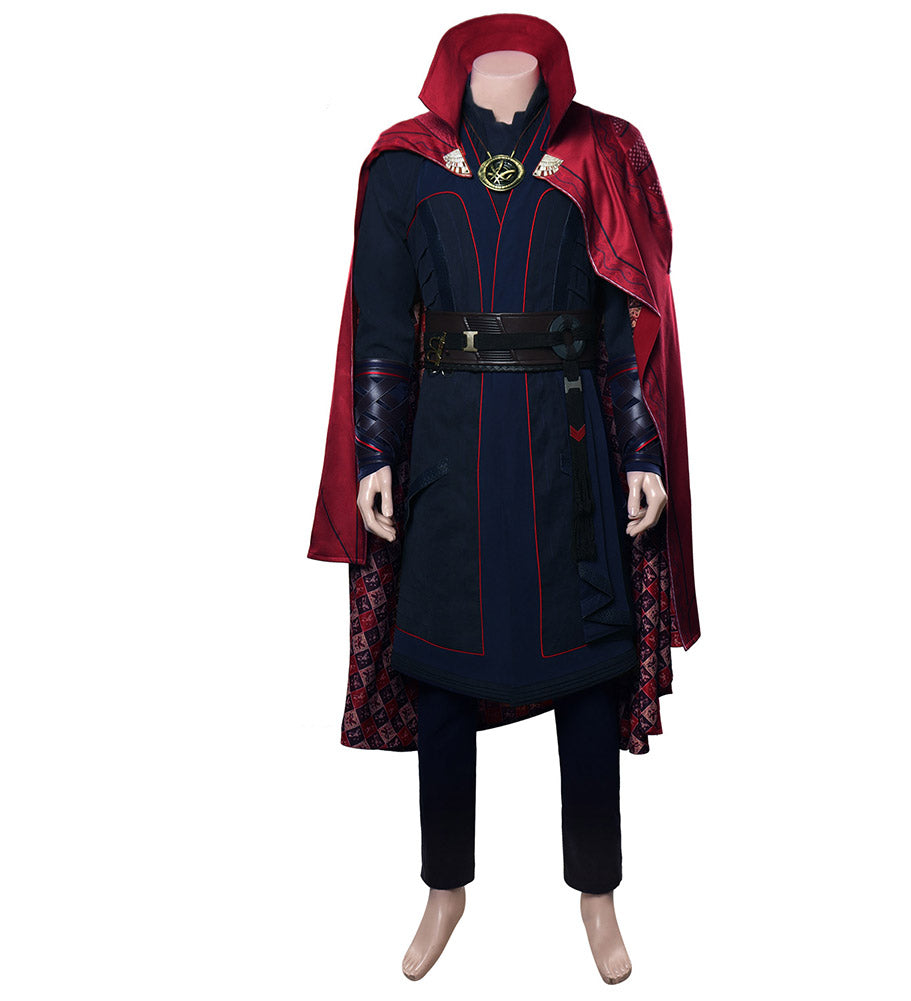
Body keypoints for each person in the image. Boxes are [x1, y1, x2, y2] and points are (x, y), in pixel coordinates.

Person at [307, 13, 701, 984]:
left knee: (586, 669)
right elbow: (381, 330)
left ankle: (597, 893)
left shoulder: (599, 152)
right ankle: (444, 887)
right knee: (442, 671)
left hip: (569, 443)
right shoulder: (404, 165)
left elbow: (625, 324)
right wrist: (372, 453)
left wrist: (640, 447)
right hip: (445, 445)